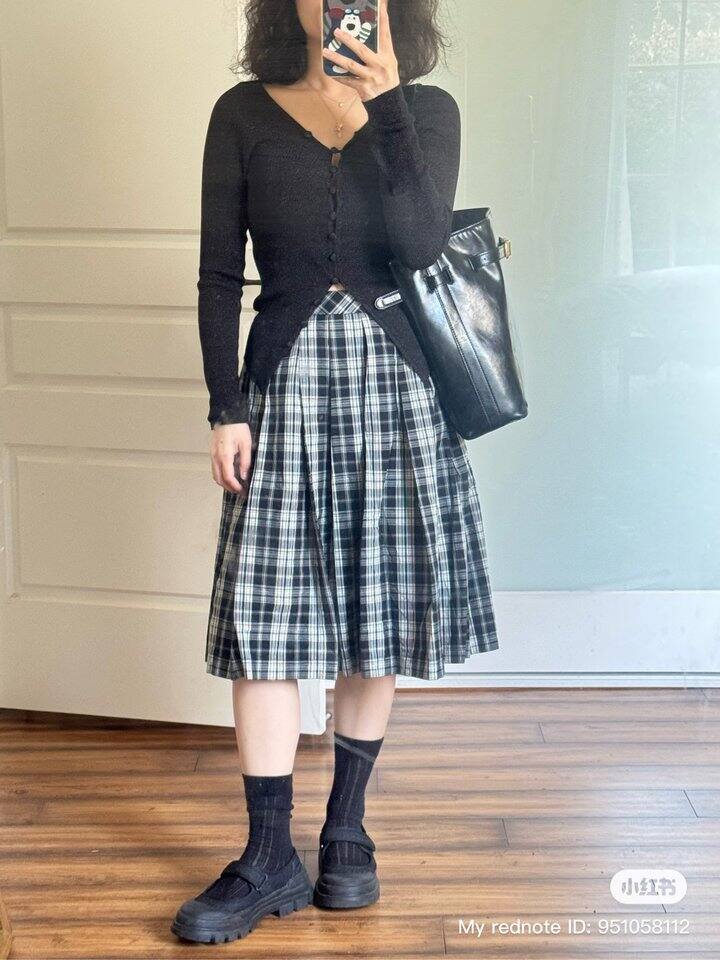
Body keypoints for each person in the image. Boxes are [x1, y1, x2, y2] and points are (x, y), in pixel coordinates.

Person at [171, 0, 499, 945]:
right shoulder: (242, 112)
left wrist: (386, 102)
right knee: (263, 623)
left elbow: (422, 245)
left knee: (377, 611)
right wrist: (225, 405)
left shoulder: (426, 111)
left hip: (397, 390)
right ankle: (268, 854)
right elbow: (218, 276)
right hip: (279, 387)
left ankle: (346, 830)